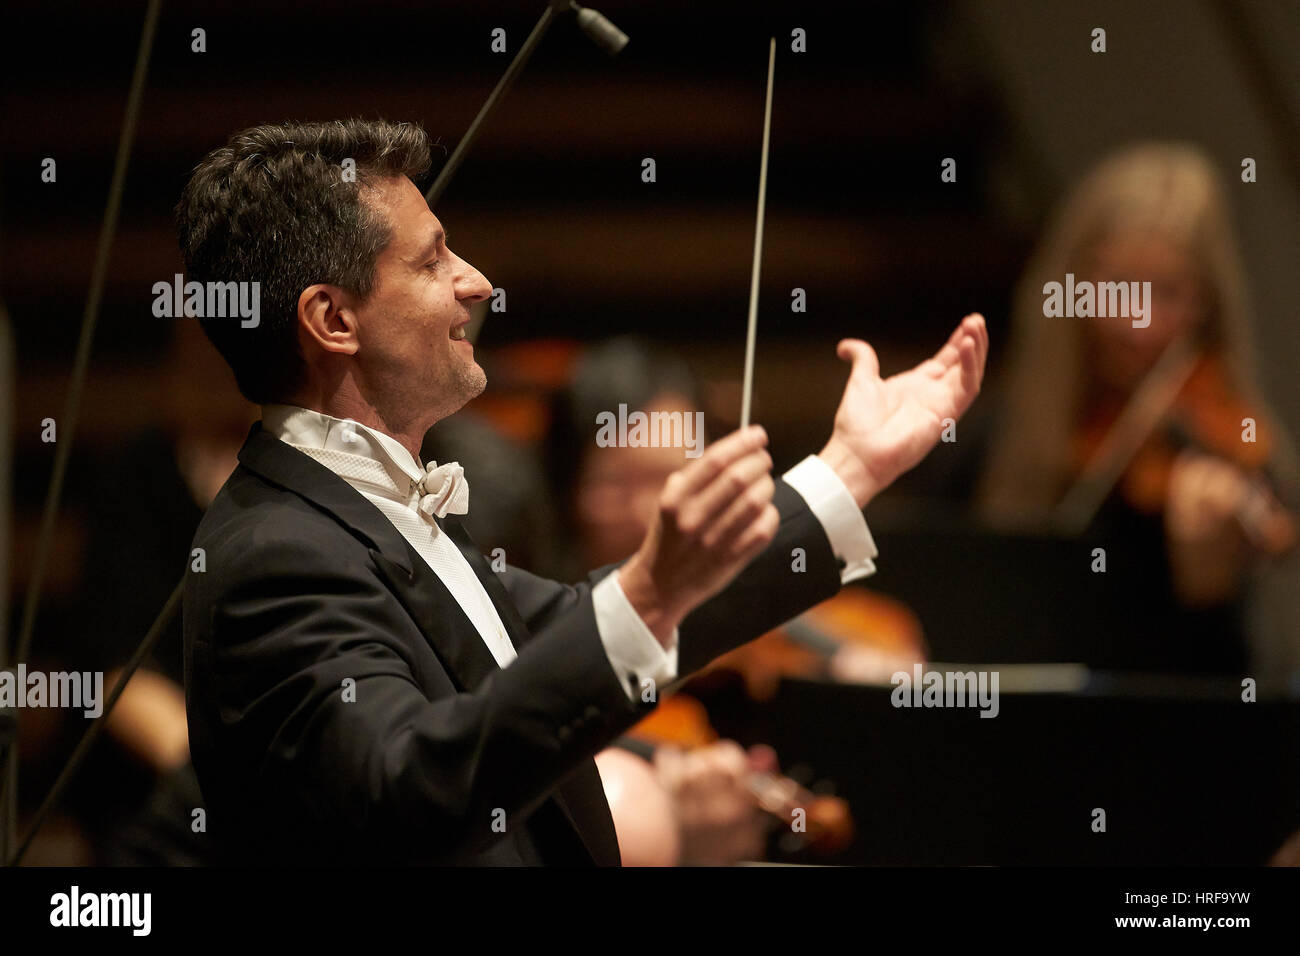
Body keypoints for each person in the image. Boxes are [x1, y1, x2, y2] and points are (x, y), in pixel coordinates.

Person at [176, 118, 987, 866]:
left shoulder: (369, 513)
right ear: (332, 319)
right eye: (432, 260)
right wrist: (645, 591)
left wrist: (852, 467)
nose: (476, 283)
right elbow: (406, 788)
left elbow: (585, 624)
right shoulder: (278, 552)